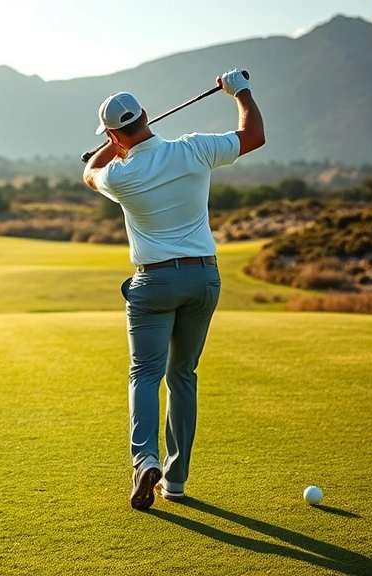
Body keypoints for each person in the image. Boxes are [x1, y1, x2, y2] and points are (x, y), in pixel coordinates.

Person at [82, 69, 265, 510]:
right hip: (203, 278)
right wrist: (239, 90)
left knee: (146, 374)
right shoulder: (196, 148)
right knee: (183, 376)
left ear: (113, 133)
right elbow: (254, 135)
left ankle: (145, 460)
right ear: (145, 115)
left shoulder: (121, 177)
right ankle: (176, 481)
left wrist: (112, 147)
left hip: (154, 283)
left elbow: (91, 172)